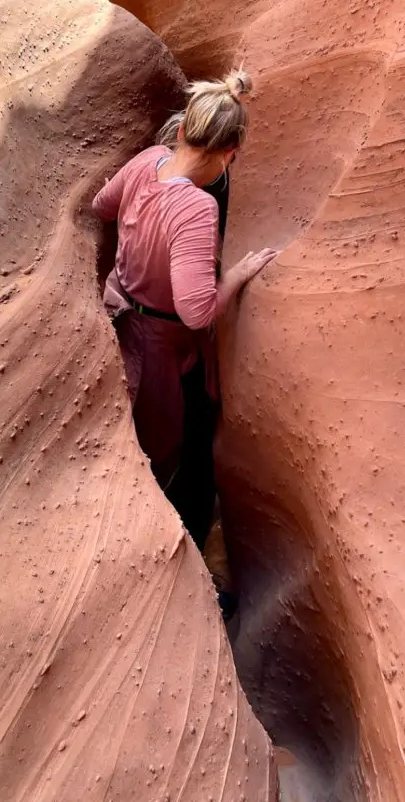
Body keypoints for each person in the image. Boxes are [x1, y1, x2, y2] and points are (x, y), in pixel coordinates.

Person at [91, 70, 276, 549]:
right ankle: (152, 533)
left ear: (180, 131)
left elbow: (100, 206)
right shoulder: (196, 209)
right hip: (157, 341)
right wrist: (235, 275)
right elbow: (196, 313)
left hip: (117, 305)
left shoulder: (147, 160)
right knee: (160, 444)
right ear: (230, 155)